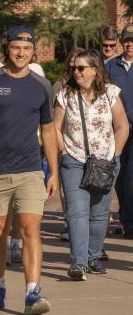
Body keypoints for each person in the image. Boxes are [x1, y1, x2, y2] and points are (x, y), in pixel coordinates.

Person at [0, 26, 58, 314]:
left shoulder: (41, 85)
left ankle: (33, 293)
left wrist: (52, 170)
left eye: (27, 49)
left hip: (30, 169)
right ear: (8, 49)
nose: (21, 53)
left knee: (31, 229)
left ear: (33, 52)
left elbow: (48, 128)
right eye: (17, 48)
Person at [55, 49, 129, 280]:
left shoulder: (110, 93)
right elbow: (55, 128)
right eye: (73, 68)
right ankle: (78, 262)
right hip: (74, 161)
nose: (75, 72)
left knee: (98, 214)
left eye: (81, 68)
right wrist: (64, 151)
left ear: (95, 70)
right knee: (77, 212)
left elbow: (122, 126)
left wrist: (114, 154)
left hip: (104, 161)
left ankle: (94, 256)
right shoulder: (65, 94)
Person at [52, 47, 85, 242]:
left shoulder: (96, 85)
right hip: (64, 143)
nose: (75, 66)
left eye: (80, 63)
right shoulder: (60, 86)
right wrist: (61, 148)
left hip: (90, 147)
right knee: (67, 187)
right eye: (73, 62)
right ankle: (68, 221)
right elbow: (52, 118)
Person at [106, 24, 133, 239]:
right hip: (118, 129)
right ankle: (126, 219)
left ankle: (129, 220)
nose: (130, 44)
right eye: (127, 40)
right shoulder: (110, 66)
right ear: (121, 42)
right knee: (120, 174)